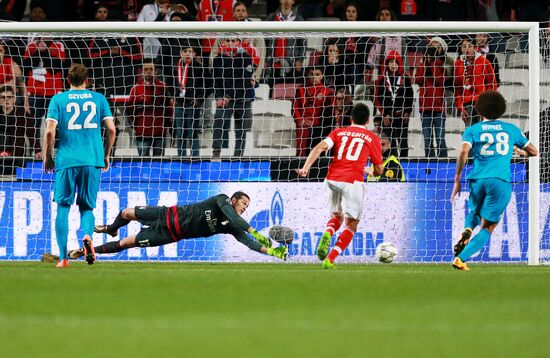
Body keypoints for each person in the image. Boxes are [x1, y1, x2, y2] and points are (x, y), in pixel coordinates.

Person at [450, 90, 538, 271]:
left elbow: (463, 153)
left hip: (476, 179)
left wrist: (457, 179)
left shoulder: (471, 130)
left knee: (474, 212)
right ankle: (461, 258)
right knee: (488, 226)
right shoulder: (511, 129)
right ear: (502, 110)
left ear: (479, 110)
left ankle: (467, 229)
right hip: (500, 180)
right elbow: (534, 152)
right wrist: (520, 152)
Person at [68, 191, 288, 263]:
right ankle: (113, 227)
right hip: (166, 213)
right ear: (233, 200)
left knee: (127, 243)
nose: (244, 209)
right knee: (126, 212)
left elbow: (247, 242)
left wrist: (270, 251)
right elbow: (238, 220)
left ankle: (90, 252)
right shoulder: (221, 200)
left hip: (168, 235)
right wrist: (256, 232)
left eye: (247, 207)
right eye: (243, 204)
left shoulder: (232, 226)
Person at [43, 64, 117, 268]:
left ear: (68, 80)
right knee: (87, 208)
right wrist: (106, 154)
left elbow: (49, 132)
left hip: (67, 160)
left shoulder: (58, 99)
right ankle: (86, 236)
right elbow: (111, 129)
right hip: (92, 160)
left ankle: (63, 258)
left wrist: (48, 157)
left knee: (63, 208)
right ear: (87, 80)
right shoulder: (99, 99)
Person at [298, 103, 384, 269]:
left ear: (351, 118)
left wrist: (305, 168)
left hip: (332, 179)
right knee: (351, 224)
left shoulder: (339, 132)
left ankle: (328, 233)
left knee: (336, 217)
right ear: (368, 121)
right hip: (353, 181)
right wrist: (370, 171)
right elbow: (380, 170)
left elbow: (319, 147)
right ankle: (330, 259)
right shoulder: (372, 138)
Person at [127, 61, 172, 156]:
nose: (148, 72)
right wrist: (136, 125)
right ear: (142, 72)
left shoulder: (162, 87)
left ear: (155, 71)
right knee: (143, 164)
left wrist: (167, 123)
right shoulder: (135, 89)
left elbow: (168, 108)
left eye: (151, 69)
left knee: (158, 164)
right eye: (146, 69)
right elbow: (130, 110)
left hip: (159, 131)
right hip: (142, 132)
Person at [453, 36, 497, 127]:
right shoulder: (458, 63)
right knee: (469, 131)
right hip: (466, 104)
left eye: (469, 46)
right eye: (464, 46)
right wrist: (460, 107)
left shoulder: (484, 62)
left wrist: (489, 102)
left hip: (481, 102)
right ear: (461, 49)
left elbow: (492, 83)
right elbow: (458, 88)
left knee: (482, 130)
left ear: (475, 48)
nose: (466, 49)